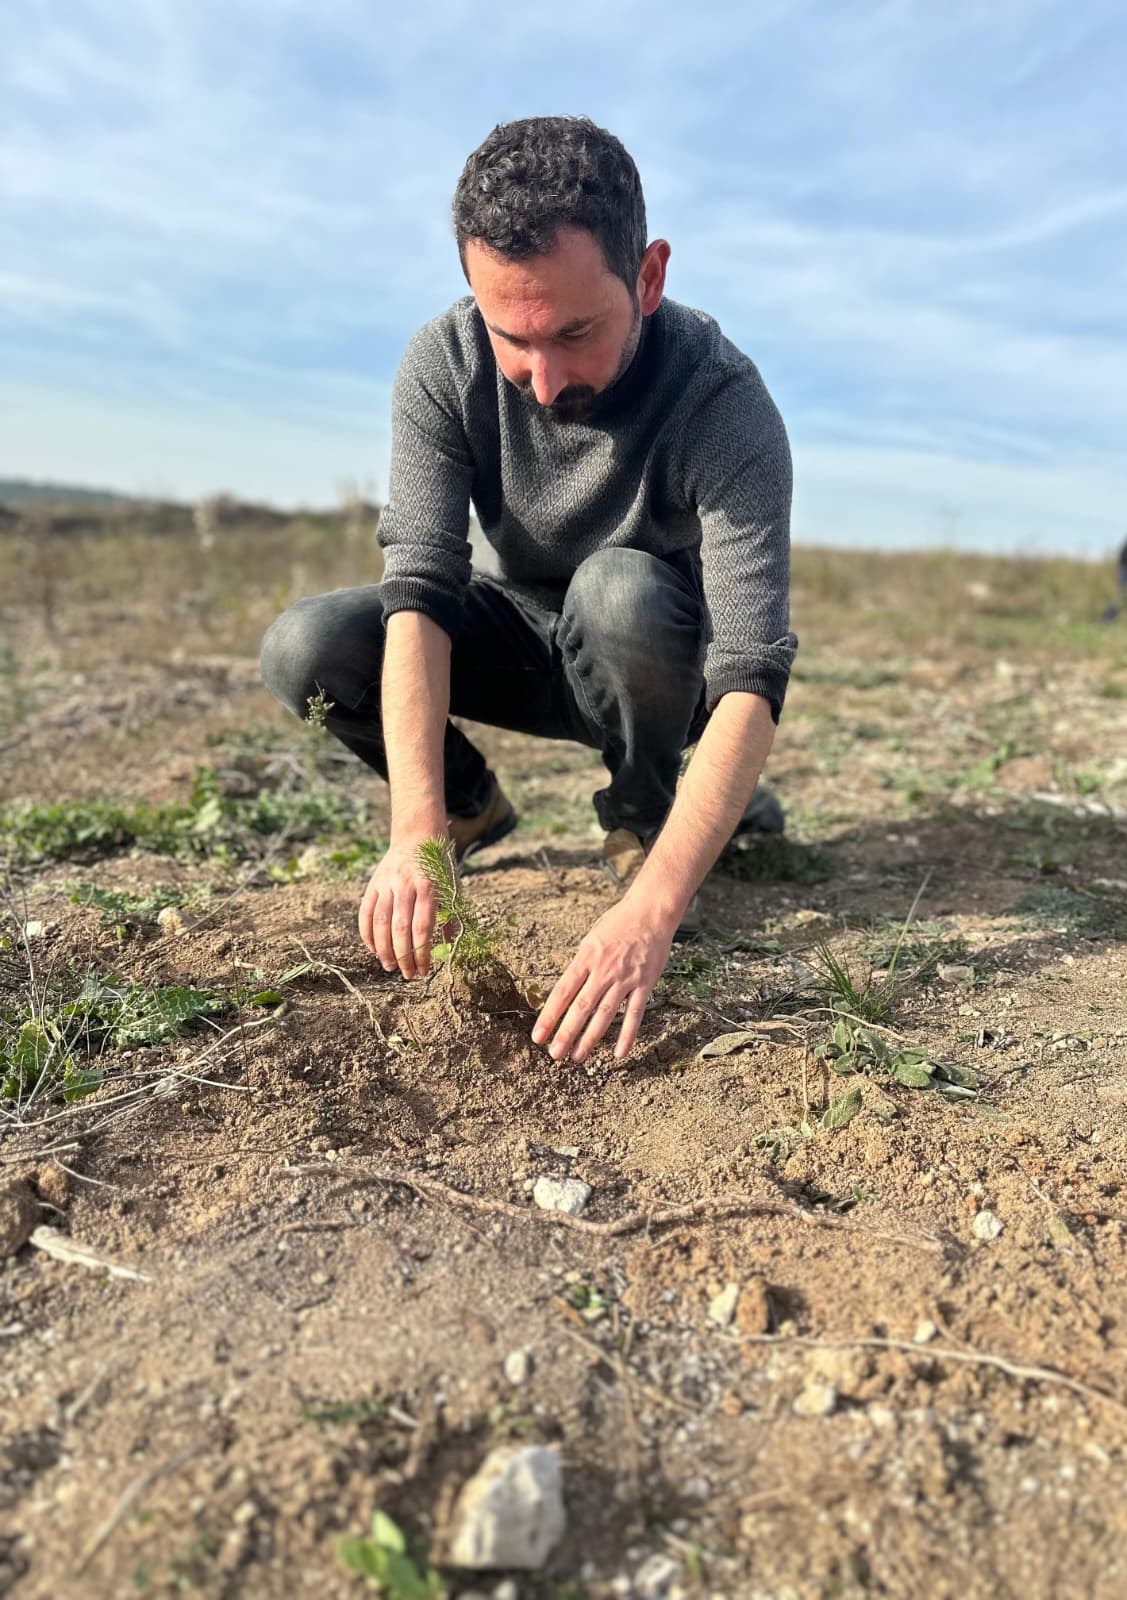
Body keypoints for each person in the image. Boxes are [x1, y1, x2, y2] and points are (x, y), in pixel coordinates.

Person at [261, 116, 796, 1065]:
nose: (543, 382)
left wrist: (651, 912)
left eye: (576, 333)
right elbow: (421, 591)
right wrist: (417, 833)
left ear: (649, 278)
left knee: (619, 590)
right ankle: (469, 804)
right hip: (516, 634)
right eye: (513, 337)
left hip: (653, 656)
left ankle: (648, 810)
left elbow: (751, 675)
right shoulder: (445, 363)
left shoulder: (725, 404)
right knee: (306, 647)